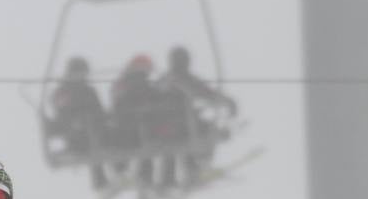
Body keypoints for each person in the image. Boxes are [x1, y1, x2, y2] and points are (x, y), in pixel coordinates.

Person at [155, 46, 237, 190]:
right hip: (182, 125)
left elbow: (204, 92)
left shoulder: (165, 79)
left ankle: (169, 179)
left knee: (179, 140)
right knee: (203, 132)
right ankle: (194, 169)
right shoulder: (184, 79)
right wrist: (228, 102)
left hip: (163, 127)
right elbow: (205, 92)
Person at [47, 56, 109, 189]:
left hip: (96, 130)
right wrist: (78, 119)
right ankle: (101, 180)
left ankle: (122, 172)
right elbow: (63, 112)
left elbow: (100, 110)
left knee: (112, 135)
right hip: (77, 135)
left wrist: (100, 118)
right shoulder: (63, 91)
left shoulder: (89, 91)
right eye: (80, 73)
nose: (83, 76)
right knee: (90, 139)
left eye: (84, 73)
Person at [108, 55, 165, 190]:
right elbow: (151, 98)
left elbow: (117, 103)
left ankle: (123, 174)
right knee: (146, 144)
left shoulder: (121, 83)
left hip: (123, 127)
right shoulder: (139, 82)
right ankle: (145, 178)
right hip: (138, 126)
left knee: (131, 145)